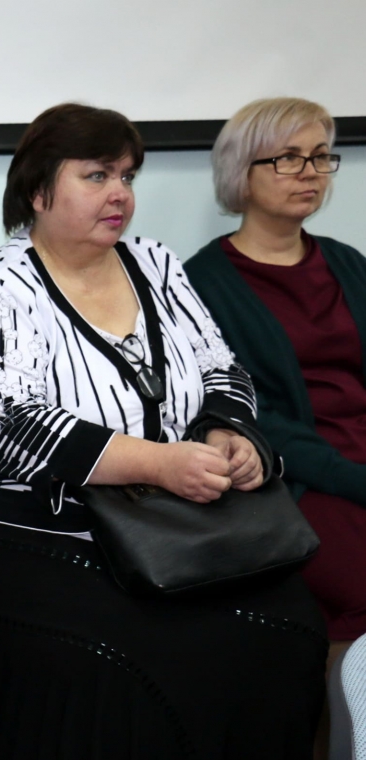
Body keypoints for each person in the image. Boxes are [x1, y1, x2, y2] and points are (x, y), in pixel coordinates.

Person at [0, 103, 327, 760]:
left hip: (159, 511)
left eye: (127, 176)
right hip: (22, 519)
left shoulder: (154, 263)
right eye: (97, 175)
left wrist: (227, 433)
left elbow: (220, 369)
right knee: (151, 651)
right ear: (38, 189)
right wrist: (158, 463)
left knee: (290, 623)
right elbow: (1, 426)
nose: (120, 195)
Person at [184, 98, 365, 656]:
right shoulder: (202, 283)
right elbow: (248, 414)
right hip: (298, 477)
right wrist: (351, 478)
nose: (310, 172)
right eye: (288, 158)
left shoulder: (347, 262)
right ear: (242, 170)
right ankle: (340, 713)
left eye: (320, 156)